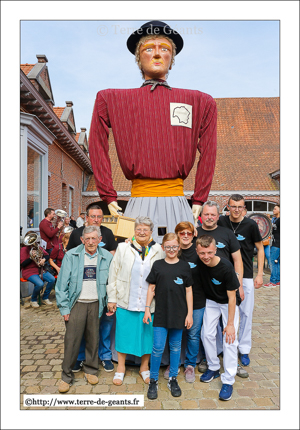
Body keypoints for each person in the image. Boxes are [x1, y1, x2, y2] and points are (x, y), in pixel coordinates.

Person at [89, 20, 217, 242]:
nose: (157, 54)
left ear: (172, 58)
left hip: (178, 201)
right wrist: (107, 194)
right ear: (138, 58)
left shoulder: (200, 101)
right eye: (149, 48)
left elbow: (209, 151)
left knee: (181, 265)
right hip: (137, 200)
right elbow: (97, 146)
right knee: (133, 264)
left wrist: (199, 199)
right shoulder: (110, 99)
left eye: (164, 49)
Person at [107, 216, 164, 386]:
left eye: (145, 229)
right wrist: (112, 298)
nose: (141, 232)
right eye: (139, 229)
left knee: (148, 336)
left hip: (149, 303)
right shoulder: (123, 247)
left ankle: (144, 367)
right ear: (134, 231)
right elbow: (113, 273)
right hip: (126, 299)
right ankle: (121, 368)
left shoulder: (158, 250)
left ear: (151, 232)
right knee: (123, 334)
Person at [56, 226, 113, 393]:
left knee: (93, 338)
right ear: (82, 240)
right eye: (87, 239)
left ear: (100, 239)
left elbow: (111, 282)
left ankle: (91, 369)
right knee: (72, 340)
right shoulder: (71, 255)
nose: (90, 242)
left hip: (97, 303)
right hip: (77, 303)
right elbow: (61, 285)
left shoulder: (107, 256)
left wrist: (110, 302)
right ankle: (66, 376)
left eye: (94, 238)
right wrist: (64, 307)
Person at [196, 200, 247, 378]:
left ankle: (231, 372)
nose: (209, 217)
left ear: (218, 216)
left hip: (228, 291)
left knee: (229, 333)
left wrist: (238, 284)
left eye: (212, 214)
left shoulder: (226, 233)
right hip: (209, 294)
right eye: (206, 214)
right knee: (207, 334)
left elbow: (238, 260)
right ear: (200, 216)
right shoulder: (195, 233)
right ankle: (213, 366)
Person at [67, 204, 117, 372]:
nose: (96, 220)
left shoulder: (108, 233)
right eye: (93, 216)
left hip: (102, 289)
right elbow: (69, 259)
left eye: (99, 217)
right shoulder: (76, 234)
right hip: (81, 291)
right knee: (80, 327)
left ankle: (105, 356)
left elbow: (113, 258)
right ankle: (80, 357)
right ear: (86, 217)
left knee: (105, 325)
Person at [144, 232, 193, 399]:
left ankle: (173, 378)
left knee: (175, 347)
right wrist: (146, 309)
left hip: (179, 314)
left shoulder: (184, 266)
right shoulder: (158, 265)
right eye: (168, 247)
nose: (171, 249)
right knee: (157, 348)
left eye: (174, 246)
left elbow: (189, 291)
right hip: (161, 313)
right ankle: (153, 380)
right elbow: (151, 288)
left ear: (179, 248)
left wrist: (190, 314)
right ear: (163, 248)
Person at [218, 194, 264, 368]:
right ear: (228, 207)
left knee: (245, 313)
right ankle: (224, 346)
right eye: (233, 206)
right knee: (225, 312)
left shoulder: (251, 225)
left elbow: (260, 249)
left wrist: (259, 274)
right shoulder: (221, 222)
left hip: (245, 276)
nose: (236, 210)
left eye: (240, 207)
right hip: (223, 275)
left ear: (244, 208)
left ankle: (243, 349)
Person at [196, 235, 240, 401]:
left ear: (215, 250)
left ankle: (228, 380)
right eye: (202, 253)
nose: (206, 256)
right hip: (212, 301)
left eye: (209, 252)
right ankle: (213, 367)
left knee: (229, 338)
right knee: (206, 334)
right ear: (197, 252)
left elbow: (232, 298)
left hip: (228, 302)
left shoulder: (226, 267)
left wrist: (229, 324)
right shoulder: (200, 261)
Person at [172, 221, 206, 383]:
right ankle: (174, 363)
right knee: (175, 334)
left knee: (193, 334)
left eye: (189, 233)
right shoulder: (173, 251)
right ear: (177, 234)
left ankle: (190, 364)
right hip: (176, 301)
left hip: (198, 299)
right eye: (182, 233)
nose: (185, 236)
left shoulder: (199, 252)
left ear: (194, 235)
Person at [20, 231, 56, 308]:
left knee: (52, 279)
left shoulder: (37, 246)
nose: (34, 242)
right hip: (29, 271)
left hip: (39, 269)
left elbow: (47, 255)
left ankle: (45, 297)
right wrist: (31, 257)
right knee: (40, 284)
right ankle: (33, 299)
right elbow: (23, 264)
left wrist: (43, 260)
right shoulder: (24, 249)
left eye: (34, 239)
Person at [264, 204, 280, 288]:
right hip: (276, 244)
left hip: (277, 244)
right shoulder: (276, 220)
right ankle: (277, 280)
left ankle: (273, 281)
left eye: (275, 209)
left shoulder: (280, 220)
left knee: (272, 261)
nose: (273, 210)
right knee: (277, 263)